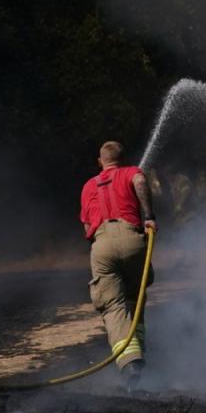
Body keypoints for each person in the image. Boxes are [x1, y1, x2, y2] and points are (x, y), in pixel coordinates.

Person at [80, 141, 157, 388]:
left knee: (113, 305)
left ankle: (130, 362)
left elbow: (86, 227)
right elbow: (140, 183)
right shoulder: (131, 172)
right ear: (121, 160)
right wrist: (149, 216)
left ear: (99, 161)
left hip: (102, 244)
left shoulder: (88, 185)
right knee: (135, 297)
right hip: (134, 240)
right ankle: (140, 350)